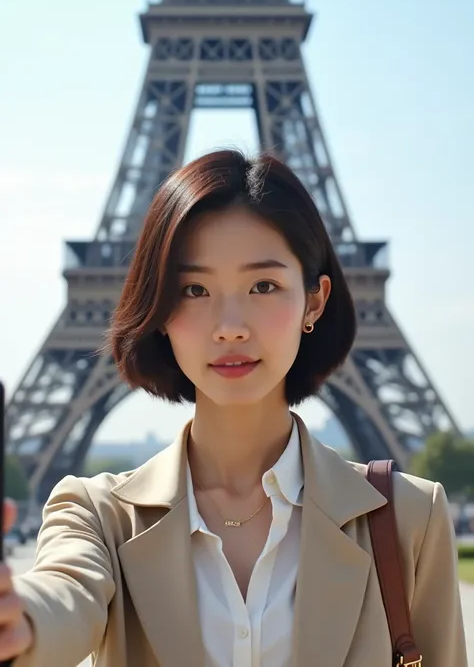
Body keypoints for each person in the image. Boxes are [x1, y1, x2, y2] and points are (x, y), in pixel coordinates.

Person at [0, 150, 467, 667]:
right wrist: (22, 623)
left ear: (314, 301)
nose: (230, 325)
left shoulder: (409, 519)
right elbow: (65, 594)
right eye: (194, 289)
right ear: (160, 310)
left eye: (263, 285)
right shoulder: (97, 516)